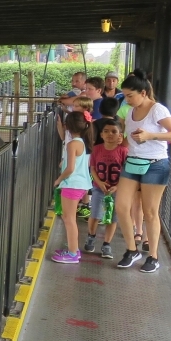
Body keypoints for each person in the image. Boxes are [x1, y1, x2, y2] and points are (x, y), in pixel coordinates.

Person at [114, 70, 171, 272]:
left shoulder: (157, 110)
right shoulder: (129, 111)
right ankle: (131, 249)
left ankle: (153, 256)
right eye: (125, 96)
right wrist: (122, 141)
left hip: (155, 164)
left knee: (150, 212)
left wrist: (150, 136)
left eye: (129, 96)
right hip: (132, 162)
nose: (126, 100)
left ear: (143, 93)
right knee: (121, 206)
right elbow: (131, 138)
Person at [52, 110, 94, 264]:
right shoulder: (84, 142)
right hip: (81, 184)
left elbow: (70, 168)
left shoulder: (72, 144)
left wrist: (58, 179)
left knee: (69, 219)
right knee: (68, 218)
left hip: (72, 184)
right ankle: (73, 249)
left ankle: (72, 254)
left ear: (68, 126)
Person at [83, 118, 127, 259]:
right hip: (98, 188)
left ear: (120, 135)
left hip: (116, 190)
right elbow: (93, 168)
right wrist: (99, 182)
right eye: (106, 131)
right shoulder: (97, 149)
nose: (110, 134)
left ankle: (107, 244)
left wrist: (118, 186)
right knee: (95, 214)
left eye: (114, 132)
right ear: (101, 134)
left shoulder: (123, 151)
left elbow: (127, 172)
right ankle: (91, 236)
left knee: (113, 218)